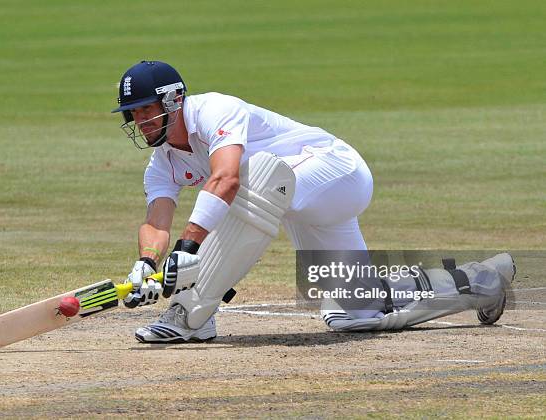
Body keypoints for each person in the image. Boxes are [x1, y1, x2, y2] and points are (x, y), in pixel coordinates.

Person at [111, 61, 513, 343]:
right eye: (133, 114)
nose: (140, 121)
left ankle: (191, 314)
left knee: (253, 183)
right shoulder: (160, 162)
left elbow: (226, 177)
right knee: (353, 313)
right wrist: (146, 264)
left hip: (337, 172)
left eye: (146, 109)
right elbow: (157, 221)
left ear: (172, 100)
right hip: (299, 202)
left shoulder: (214, 109)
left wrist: (187, 250)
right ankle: (481, 281)